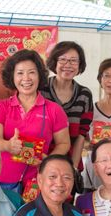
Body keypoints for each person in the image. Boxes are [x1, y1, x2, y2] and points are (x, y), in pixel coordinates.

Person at [0, 49, 71, 194]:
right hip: (4, 181)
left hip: (38, 181)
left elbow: (64, 143)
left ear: (39, 75)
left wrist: (48, 161)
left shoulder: (54, 110)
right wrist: (8, 145)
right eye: (20, 73)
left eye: (32, 72)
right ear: (12, 77)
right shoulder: (1, 107)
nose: (26, 78)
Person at [42, 41, 94, 171]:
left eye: (73, 61)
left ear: (80, 64)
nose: (68, 65)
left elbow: (82, 135)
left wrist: (73, 168)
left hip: (70, 161)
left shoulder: (85, 94)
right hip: (40, 159)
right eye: (63, 60)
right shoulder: (41, 90)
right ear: (54, 62)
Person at [82, 58, 111, 192]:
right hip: (93, 170)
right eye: (106, 75)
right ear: (100, 79)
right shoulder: (90, 108)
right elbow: (81, 138)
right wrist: (88, 145)